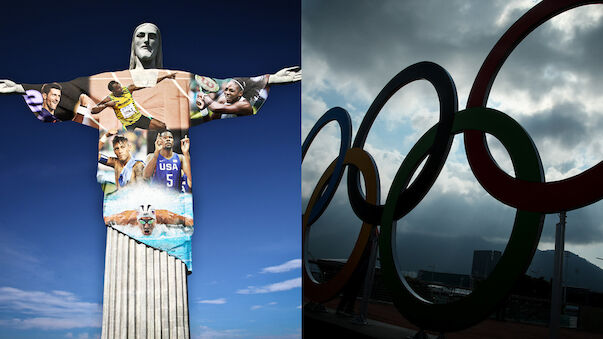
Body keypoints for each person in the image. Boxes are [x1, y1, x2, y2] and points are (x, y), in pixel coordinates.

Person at [91, 72, 176, 130]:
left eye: (120, 86)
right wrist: (106, 105)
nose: (120, 89)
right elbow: (93, 110)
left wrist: (165, 77)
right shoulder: (109, 99)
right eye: (117, 89)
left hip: (138, 118)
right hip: (128, 125)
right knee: (129, 144)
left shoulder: (128, 89)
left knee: (162, 126)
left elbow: (148, 84)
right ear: (113, 91)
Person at [104, 204, 193, 236]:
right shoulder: (125, 218)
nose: (146, 226)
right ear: (137, 220)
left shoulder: (166, 217)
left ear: (155, 220)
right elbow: (106, 220)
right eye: (142, 221)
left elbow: (189, 221)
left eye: (150, 221)